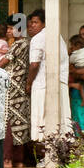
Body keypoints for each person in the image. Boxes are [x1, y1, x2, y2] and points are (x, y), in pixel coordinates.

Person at [26, 8, 70, 150]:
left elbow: (34, 65)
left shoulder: (38, 38)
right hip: (59, 85)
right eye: (31, 22)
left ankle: (48, 157)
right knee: (61, 123)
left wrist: (28, 83)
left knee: (42, 123)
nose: (32, 25)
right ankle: (57, 156)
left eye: (35, 22)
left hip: (42, 85)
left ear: (44, 23)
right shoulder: (58, 37)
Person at [3, 17, 35, 167]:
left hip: (13, 88)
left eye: (11, 28)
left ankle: (11, 159)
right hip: (22, 88)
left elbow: (4, 62)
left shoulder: (18, 44)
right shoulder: (29, 43)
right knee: (21, 122)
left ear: (20, 29)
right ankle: (20, 160)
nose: (8, 31)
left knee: (11, 124)